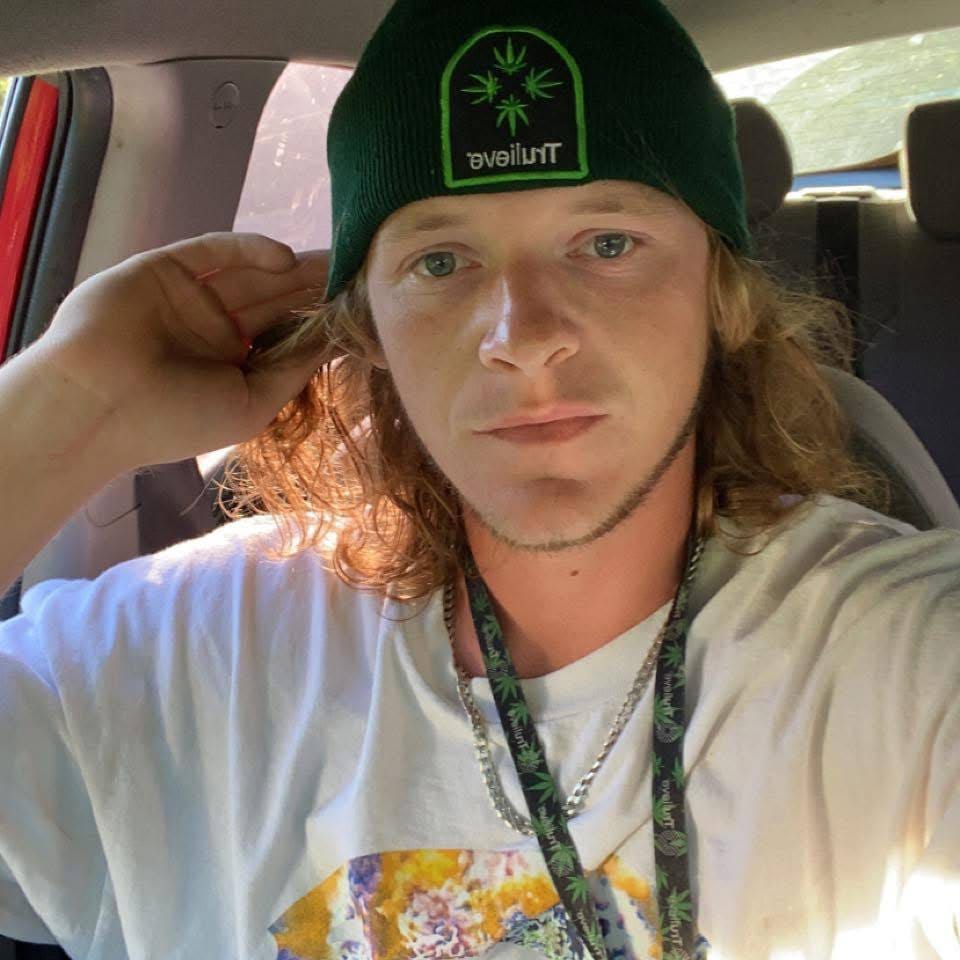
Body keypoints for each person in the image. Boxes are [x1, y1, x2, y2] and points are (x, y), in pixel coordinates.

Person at [1, 0, 958, 956]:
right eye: (441, 261)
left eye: (607, 243)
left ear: (721, 293)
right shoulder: (195, 651)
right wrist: (63, 408)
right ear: (367, 324)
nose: (523, 336)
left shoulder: (901, 661)